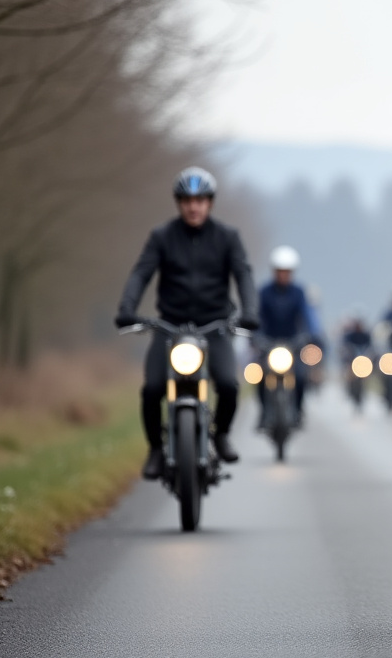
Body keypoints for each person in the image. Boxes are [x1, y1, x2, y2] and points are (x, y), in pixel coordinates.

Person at [116, 167, 259, 479]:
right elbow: (141, 273)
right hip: (171, 327)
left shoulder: (227, 238)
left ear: (210, 203)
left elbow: (244, 275)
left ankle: (221, 435)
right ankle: (155, 448)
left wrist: (250, 311)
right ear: (178, 203)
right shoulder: (162, 237)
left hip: (214, 326)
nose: (194, 207)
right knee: (152, 389)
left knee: (229, 385)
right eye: (187, 200)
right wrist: (127, 308)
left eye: (200, 200)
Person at [256, 245, 324, 427]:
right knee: (260, 376)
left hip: (292, 344)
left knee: (301, 377)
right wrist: (256, 336)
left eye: (287, 271)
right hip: (268, 343)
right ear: (274, 271)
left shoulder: (299, 293)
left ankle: (298, 411)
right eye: (280, 271)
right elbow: (256, 317)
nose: (283, 275)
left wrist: (312, 334)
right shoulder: (264, 292)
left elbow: (308, 315)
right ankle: (263, 412)